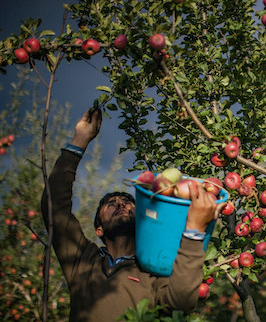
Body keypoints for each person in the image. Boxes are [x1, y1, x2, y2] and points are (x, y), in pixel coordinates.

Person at [41, 108, 223, 321]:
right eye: (111, 204)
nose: (120, 203)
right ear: (99, 229)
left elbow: (181, 301)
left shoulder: (153, 268)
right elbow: (54, 208)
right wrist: (79, 141)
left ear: (140, 219)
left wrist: (194, 231)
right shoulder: (84, 262)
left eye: (128, 202)